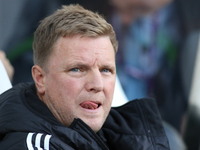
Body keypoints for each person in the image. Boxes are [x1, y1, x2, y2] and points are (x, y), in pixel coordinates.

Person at [0, 4, 169, 149]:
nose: (97, 84)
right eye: (77, 69)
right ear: (40, 79)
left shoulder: (121, 135)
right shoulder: (31, 145)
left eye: (105, 70)